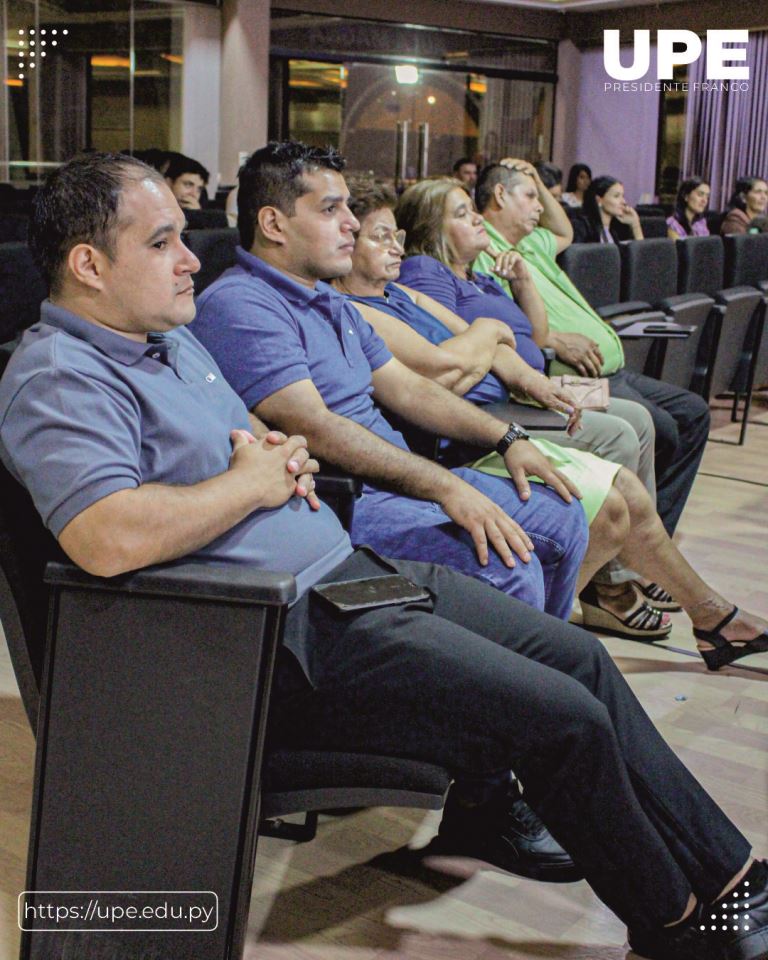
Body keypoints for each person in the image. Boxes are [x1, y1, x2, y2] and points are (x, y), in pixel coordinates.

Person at [2, 151, 767, 960]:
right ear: (89, 264)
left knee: (578, 657)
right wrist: (256, 482)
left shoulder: (167, 340)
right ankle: (681, 927)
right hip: (268, 638)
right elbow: (107, 534)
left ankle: (729, 873)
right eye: (162, 243)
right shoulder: (58, 376)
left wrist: (273, 464)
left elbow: (264, 446)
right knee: (561, 720)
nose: (192, 257)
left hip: (341, 577)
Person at [192, 142, 588, 623]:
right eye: (330, 209)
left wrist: (508, 437)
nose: (352, 224)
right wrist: (443, 486)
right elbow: (314, 426)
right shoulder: (242, 303)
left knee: (565, 516)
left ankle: (546, 670)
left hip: (395, 481)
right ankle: (517, 687)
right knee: (506, 563)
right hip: (348, 499)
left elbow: (410, 389)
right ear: (274, 224)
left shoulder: (329, 300)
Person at [383, 179, 768, 655]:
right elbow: (453, 366)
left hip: (523, 389)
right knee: (622, 437)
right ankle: (615, 590)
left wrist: (520, 291)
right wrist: (496, 340)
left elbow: (526, 336)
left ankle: (657, 591)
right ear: (432, 229)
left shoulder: (478, 276)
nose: (477, 218)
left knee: (647, 424)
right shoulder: (424, 272)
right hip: (491, 409)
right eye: (462, 213)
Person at [471, 160, 711, 538]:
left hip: (612, 369)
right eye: (531, 196)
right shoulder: (487, 252)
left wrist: (532, 173)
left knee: (694, 412)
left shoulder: (530, 242)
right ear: (500, 195)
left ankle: (654, 534)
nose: (540, 205)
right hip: (572, 376)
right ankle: (640, 540)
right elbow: (507, 330)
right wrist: (550, 340)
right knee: (661, 427)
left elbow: (563, 228)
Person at [571, 175, 644, 243]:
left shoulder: (617, 229)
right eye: (616, 196)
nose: (624, 202)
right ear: (599, 200)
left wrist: (635, 224)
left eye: (623, 196)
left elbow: (640, 254)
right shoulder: (581, 227)